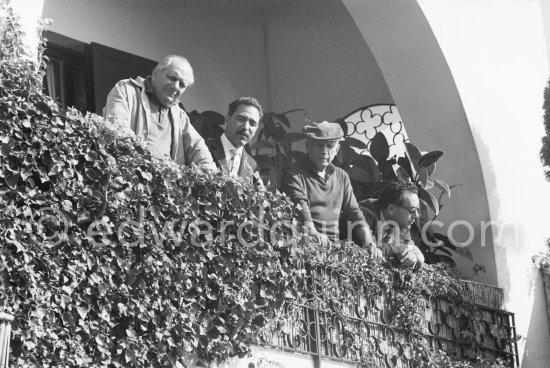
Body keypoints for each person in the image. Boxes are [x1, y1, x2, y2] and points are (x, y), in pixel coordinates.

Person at [280, 121, 382, 258]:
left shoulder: (341, 176)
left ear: (337, 149)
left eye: (330, 146)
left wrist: (370, 244)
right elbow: (300, 205)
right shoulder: (294, 172)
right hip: (302, 245)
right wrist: (313, 233)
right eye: (319, 145)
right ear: (307, 146)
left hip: (333, 248)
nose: (324, 151)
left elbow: (354, 212)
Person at [103, 55, 216, 170]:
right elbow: (117, 130)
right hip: (127, 175)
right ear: (156, 72)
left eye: (182, 85)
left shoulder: (180, 115)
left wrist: (212, 175)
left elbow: (198, 147)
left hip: (164, 185)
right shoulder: (126, 90)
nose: (175, 87)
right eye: (172, 78)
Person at [359, 181, 425, 269]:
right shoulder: (364, 214)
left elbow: (410, 248)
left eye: (418, 209)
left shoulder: (403, 223)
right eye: (412, 210)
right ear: (391, 209)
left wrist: (416, 254)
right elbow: (370, 246)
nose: (416, 216)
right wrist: (403, 249)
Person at [206, 97, 262, 181]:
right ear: (227, 119)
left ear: (256, 130)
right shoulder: (204, 147)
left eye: (252, 123)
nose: (245, 127)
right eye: (241, 119)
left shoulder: (252, 165)